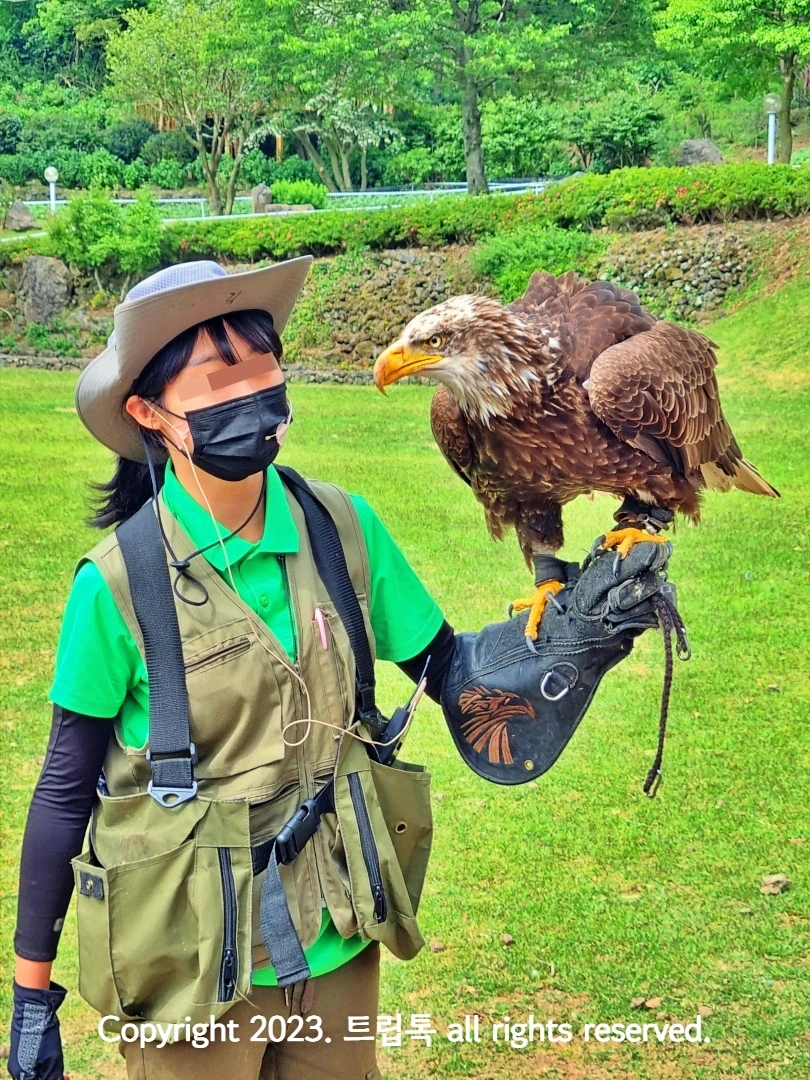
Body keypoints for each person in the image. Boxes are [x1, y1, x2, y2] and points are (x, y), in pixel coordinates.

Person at [8, 258, 675, 1080]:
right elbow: (66, 787)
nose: (255, 394)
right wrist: (31, 995)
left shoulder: (340, 528)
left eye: (264, 367)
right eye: (222, 380)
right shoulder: (115, 585)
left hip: (338, 929)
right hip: (189, 960)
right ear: (150, 413)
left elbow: (453, 675)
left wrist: (569, 648)